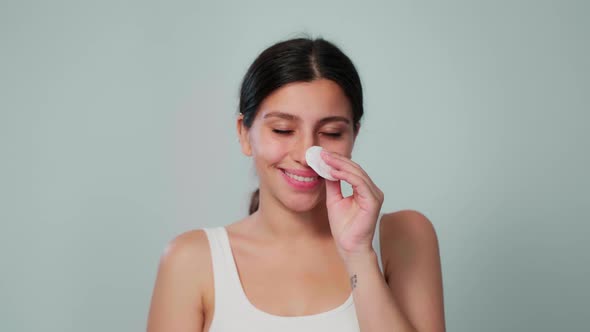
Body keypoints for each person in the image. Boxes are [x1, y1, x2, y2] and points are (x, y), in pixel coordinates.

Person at [147, 37, 445, 332]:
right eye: (283, 129)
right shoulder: (190, 260)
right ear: (243, 133)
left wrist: (359, 255)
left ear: (354, 135)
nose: (306, 154)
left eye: (331, 132)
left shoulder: (404, 237)